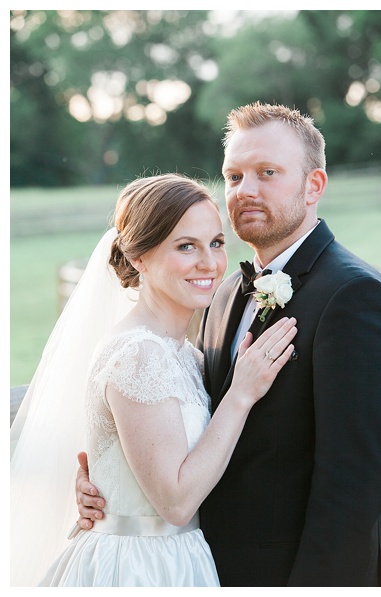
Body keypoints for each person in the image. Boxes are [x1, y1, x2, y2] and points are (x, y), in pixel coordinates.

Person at [75, 102, 381, 586]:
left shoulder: (353, 295)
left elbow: (356, 480)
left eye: (267, 172)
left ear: (314, 186)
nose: (246, 190)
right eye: (234, 176)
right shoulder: (219, 292)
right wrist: (110, 489)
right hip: (195, 567)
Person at [10, 173, 298, 586]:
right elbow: (176, 503)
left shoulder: (185, 352)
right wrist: (240, 395)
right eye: (186, 246)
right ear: (138, 258)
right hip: (139, 568)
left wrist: (104, 479)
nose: (210, 263)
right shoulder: (138, 355)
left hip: (179, 557)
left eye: (216, 243)